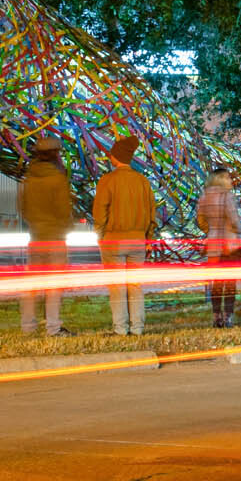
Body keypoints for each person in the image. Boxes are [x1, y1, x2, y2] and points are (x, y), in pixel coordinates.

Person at [93, 136, 155, 337]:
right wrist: (148, 238)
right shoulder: (142, 182)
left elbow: (100, 212)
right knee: (135, 286)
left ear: (116, 157)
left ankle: (120, 329)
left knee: (117, 286)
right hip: (138, 240)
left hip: (114, 240)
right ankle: (137, 328)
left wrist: (100, 236)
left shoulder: (107, 181)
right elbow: (151, 213)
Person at [18, 135, 74, 337]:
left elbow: (22, 208)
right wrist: (66, 226)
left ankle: (28, 326)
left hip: (36, 237)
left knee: (32, 286)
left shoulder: (28, 179)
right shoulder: (57, 179)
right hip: (55, 237)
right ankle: (53, 327)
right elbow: (63, 210)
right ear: (55, 155)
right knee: (53, 286)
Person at [195, 167, 241, 327]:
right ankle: (228, 316)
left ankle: (216, 316)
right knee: (230, 284)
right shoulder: (227, 196)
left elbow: (200, 219)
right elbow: (234, 218)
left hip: (213, 245)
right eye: (228, 178)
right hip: (228, 245)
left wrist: (210, 230)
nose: (231, 181)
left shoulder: (204, 196)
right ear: (222, 179)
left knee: (216, 283)